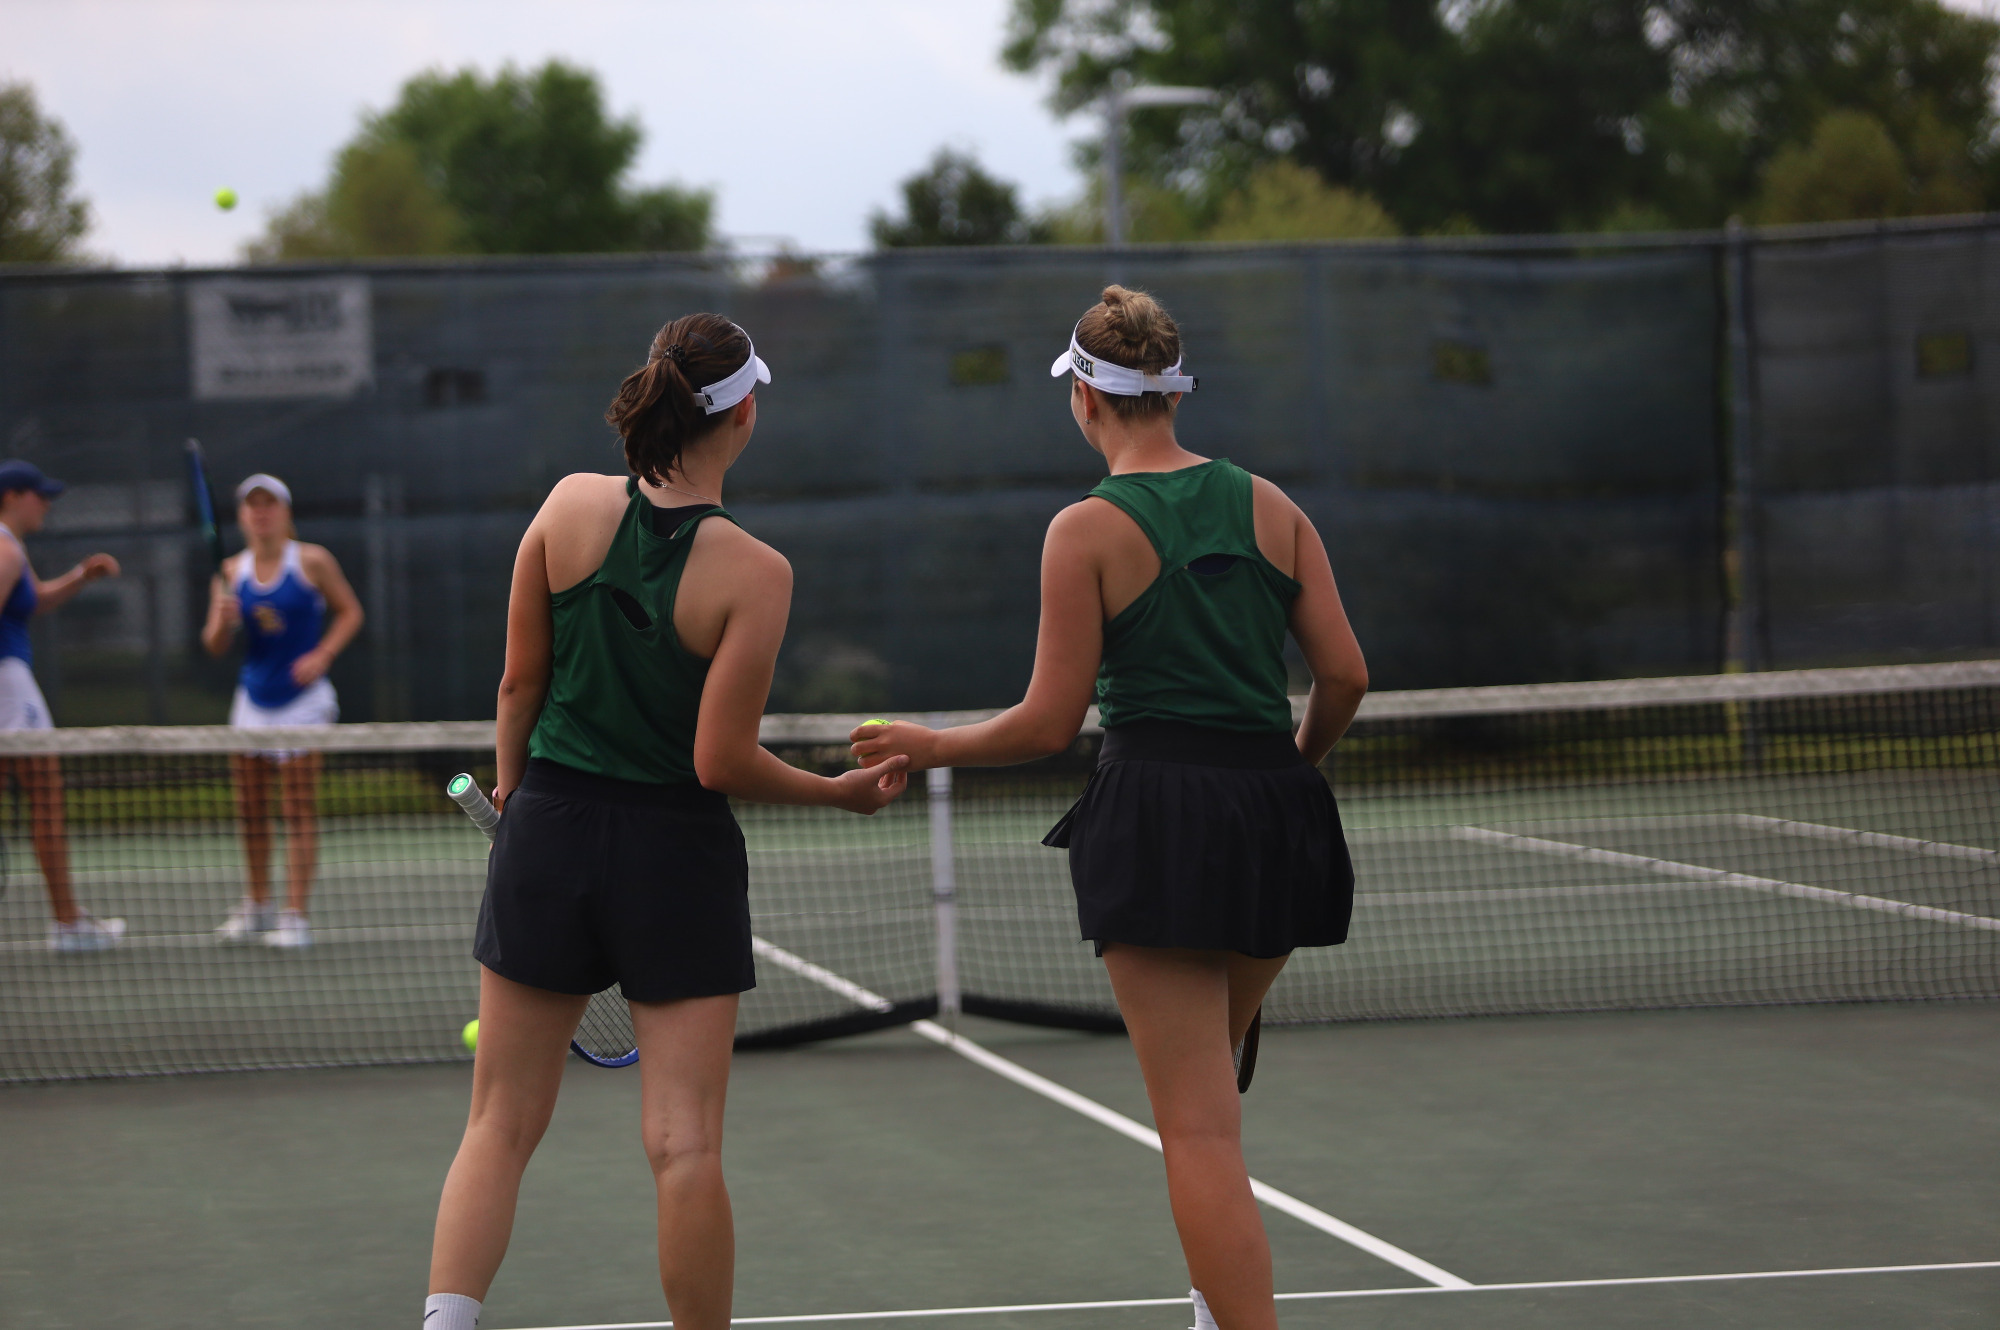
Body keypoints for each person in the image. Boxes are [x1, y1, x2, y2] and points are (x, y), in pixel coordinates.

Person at [851, 287, 1369, 1330]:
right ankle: (1211, 1306)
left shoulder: (1082, 530)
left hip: (1162, 824)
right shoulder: (1274, 506)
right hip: (1281, 819)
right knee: (1210, 1106)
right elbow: (1346, 676)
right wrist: (1291, 772)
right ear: (1169, 391)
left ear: (1085, 396)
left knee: (1197, 1132)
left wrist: (929, 743)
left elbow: (1049, 722)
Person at [423, 314, 909, 1330]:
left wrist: (516, 796)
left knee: (497, 1122)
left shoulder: (564, 508)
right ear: (740, 417)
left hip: (547, 827)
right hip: (673, 855)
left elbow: (519, 680)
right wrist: (834, 793)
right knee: (683, 1143)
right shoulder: (754, 571)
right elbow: (718, 762)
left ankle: (444, 1322)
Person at [199, 474, 365, 949]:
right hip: (251, 701)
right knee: (250, 809)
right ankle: (257, 904)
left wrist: (323, 655)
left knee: (296, 806)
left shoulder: (311, 561)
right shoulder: (229, 572)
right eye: (252, 505)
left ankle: (294, 916)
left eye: (269, 504)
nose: (261, 512)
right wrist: (224, 623)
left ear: (285, 512)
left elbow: (350, 612)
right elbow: (213, 645)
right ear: (242, 516)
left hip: (304, 705)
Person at [0, 460, 126, 952]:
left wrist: (81, 576)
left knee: (45, 797)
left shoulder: (12, 548)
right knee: (47, 797)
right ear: (11, 497)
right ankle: (68, 924)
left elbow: (33, 601)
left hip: (11, 682)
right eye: (39, 494)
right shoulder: (5, 551)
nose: (46, 502)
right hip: (8, 683)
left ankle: (69, 920)